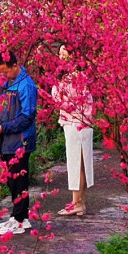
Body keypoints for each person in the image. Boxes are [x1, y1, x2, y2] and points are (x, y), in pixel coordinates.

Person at [0, 48, 39, 236]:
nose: (3, 75)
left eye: (6, 71)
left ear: (15, 66)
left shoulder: (26, 85)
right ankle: (16, 216)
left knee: (19, 180)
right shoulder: (6, 84)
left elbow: (27, 116)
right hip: (5, 140)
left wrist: (4, 127)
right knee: (11, 179)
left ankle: (21, 218)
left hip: (20, 140)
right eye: (1, 72)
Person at [50, 42, 95, 217]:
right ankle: (79, 202)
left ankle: (77, 202)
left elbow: (62, 100)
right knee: (80, 163)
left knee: (77, 162)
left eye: (64, 54)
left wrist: (55, 89)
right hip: (80, 122)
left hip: (76, 123)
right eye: (60, 54)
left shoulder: (74, 77)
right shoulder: (75, 76)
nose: (61, 58)